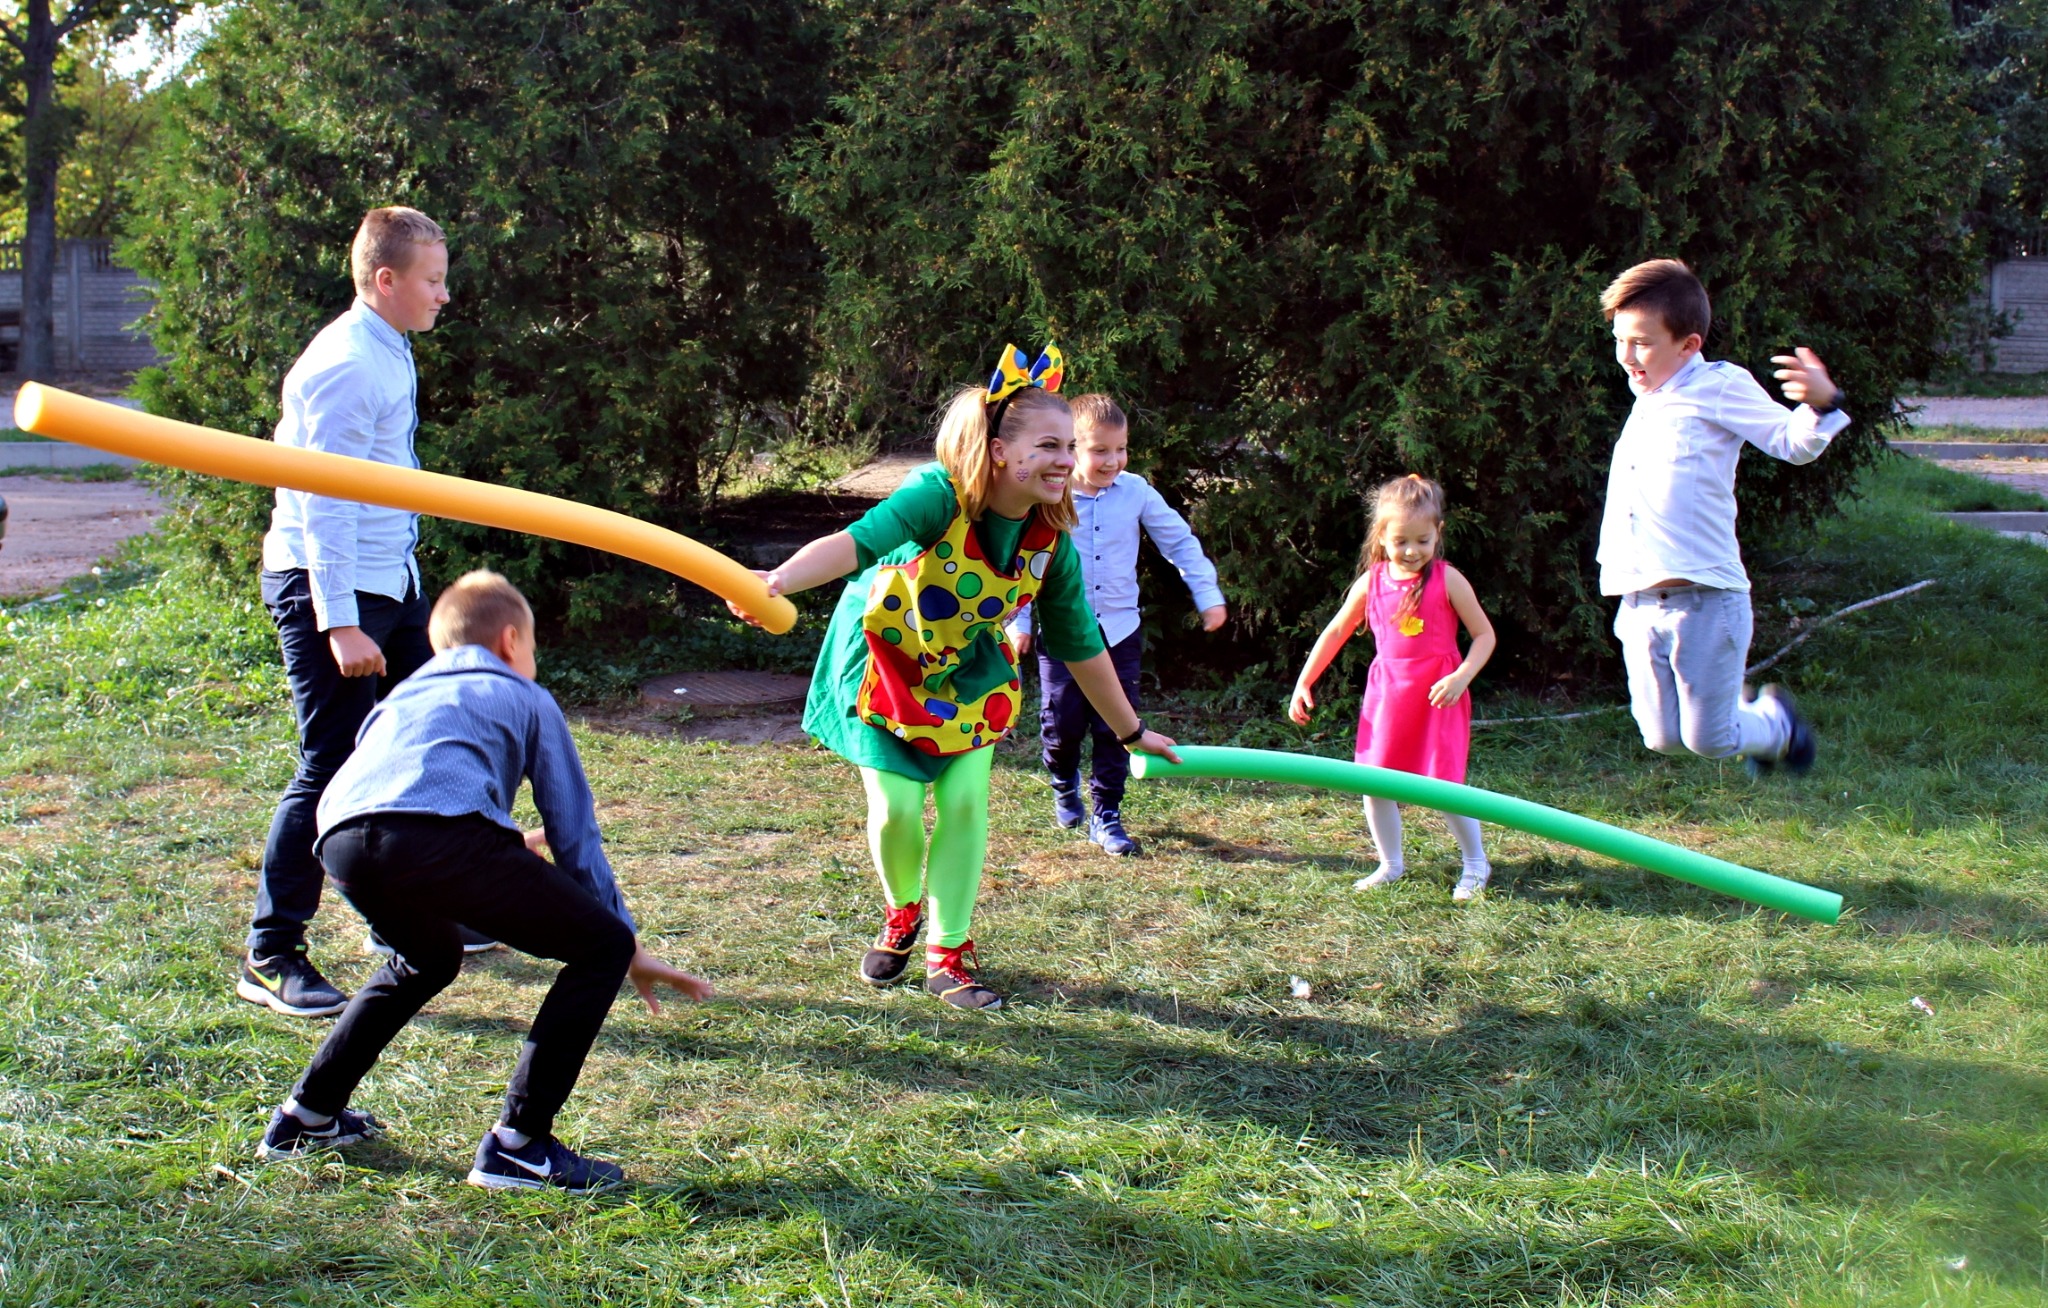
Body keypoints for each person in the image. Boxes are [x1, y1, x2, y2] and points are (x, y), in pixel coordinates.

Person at [734, 343, 1178, 1010]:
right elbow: (856, 543)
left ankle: (948, 951)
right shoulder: (937, 497)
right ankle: (902, 911)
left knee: (966, 803)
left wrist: (1131, 731)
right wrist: (777, 581)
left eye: (1069, 446)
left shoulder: (1048, 539)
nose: (1066, 460)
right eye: (1049, 445)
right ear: (999, 451)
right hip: (883, 663)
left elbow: (1082, 645)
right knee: (896, 810)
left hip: (968, 673)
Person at [254, 571, 710, 1192]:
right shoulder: (524, 694)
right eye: (533, 648)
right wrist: (625, 943)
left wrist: (491, 842)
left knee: (426, 959)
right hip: (437, 839)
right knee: (599, 947)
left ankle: (305, 1117)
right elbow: (574, 835)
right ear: (511, 641)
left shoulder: (402, 697)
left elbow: (398, 795)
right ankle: (519, 1146)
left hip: (340, 839)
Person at [238, 206, 492, 1021]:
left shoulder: (389, 347)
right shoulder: (348, 363)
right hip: (331, 587)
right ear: (386, 280)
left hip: (390, 583)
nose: (444, 295)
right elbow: (323, 501)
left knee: (420, 741)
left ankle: (411, 912)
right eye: (432, 280)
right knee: (330, 765)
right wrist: (340, 621)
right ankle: (272, 952)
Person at [1598, 258, 1845, 775]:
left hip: (1706, 599)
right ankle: (1748, 715)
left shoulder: (1718, 385)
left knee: (1710, 740)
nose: (1626, 356)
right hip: (1638, 602)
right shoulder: (1647, 397)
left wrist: (1822, 404)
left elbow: (1791, 442)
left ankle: (1776, 724)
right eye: (1619, 340)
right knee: (1663, 739)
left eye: (1641, 342)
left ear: (1688, 344)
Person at [1007, 394, 1225, 857]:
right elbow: (1023, 559)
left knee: (1117, 727)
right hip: (1063, 634)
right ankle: (1063, 781)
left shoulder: (1136, 491)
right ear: (1073, 448)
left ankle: (1106, 814)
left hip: (1120, 631)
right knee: (1062, 724)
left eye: (1121, 449)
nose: (1113, 461)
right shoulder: (1051, 495)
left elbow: (1179, 543)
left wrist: (1207, 593)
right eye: (1100, 450)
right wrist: (1020, 619)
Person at [1289, 475, 1498, 900]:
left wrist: (1461, 676)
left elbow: (1484, 636)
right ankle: (1390, 864)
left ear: (1438, 533)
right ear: (1381, 536)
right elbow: (1335, 632)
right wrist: (1304, 681)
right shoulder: (1372, 582)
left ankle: (1476, 863)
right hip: (1388, 698)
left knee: (1445, 786)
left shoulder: (1448, 580)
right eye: (1401, 541)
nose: (1412, 550)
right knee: (1375, 782)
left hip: (1439, 698)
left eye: (1423, 540)